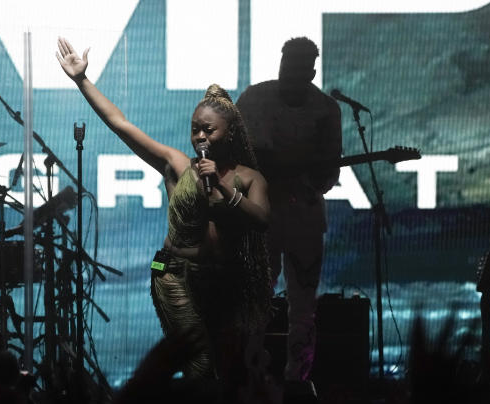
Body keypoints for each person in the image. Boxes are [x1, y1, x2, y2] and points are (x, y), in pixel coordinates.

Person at [55, 38, 272, 382]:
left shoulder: (249, 178)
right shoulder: (176, 164)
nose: (200, 136)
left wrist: (221, 187)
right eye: (195, 128)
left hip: (224, 279)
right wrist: (82, 80)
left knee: (229, 365)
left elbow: (263, 220)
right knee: (199, 363)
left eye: (209, 130)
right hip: (172, 272)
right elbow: (121, 124)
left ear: (230, 134)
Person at [236, 37, 342, 382]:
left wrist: (301, 179)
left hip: (303, 218)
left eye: (296, 69)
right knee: (256, 298)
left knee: (302, 304)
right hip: (262, 215)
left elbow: (328, 173)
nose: (288, 76)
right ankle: (251, 373)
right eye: (286, 67)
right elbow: (246, 158)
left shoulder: (326, 111)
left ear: (310, 73)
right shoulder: (256, 98)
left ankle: (296, 379)